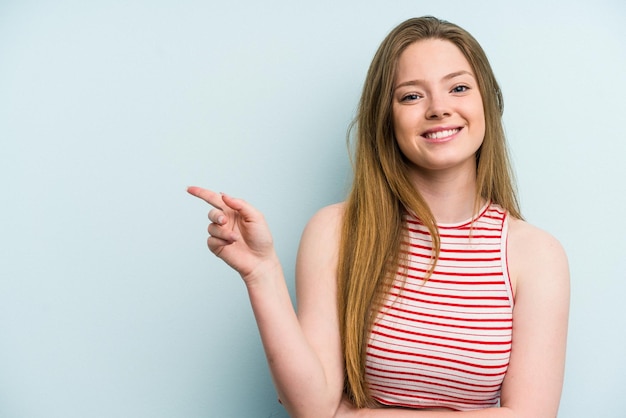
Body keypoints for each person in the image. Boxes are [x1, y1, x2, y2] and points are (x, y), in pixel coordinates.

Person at [187, 16, 569, 417]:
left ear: (487, 103)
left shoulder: (536, 254)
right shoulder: (336, 232)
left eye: (458, 88)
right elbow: (313, 408)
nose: (439, 109)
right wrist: (261, 272)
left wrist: (359, 415)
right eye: (411, 96)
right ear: (385, 117)